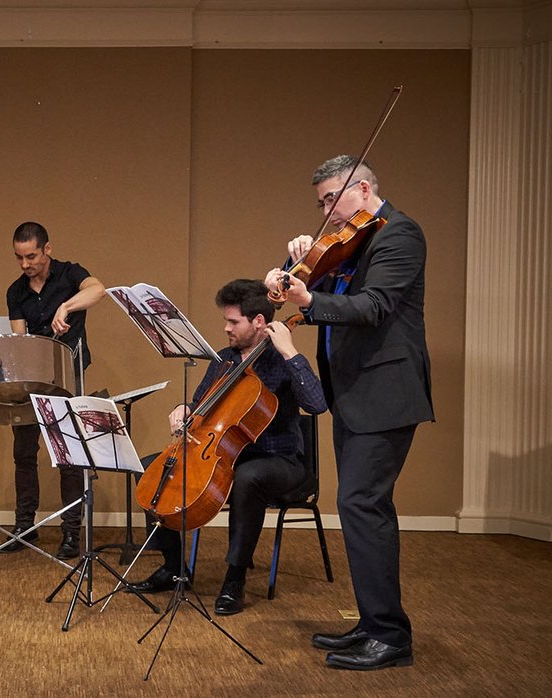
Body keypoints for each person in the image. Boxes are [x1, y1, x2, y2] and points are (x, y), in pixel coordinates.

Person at [265, 155, 433, 670]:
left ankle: (390, 636)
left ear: (362, 190)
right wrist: (299, 265)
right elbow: (328, 289)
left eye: (331, 200)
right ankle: (372, 624)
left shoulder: (400, 236)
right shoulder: (353, 243)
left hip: (385, 395)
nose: (326, 212)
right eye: (320, 204)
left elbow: (374, 306)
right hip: (354, 395)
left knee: (363, 506)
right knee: (360, 506)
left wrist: (309, 297)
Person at [128, 279, 326, 616]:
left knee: (249, 477)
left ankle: (234, 580)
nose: (226, 328)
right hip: (222, 454)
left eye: (233, 322)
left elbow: (317, 403)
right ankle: (175, 568)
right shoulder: (223, 360)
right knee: (153, 467)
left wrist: (290, 352)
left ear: (259, 322)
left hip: (278, 460)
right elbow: (201, 404)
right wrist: (184, 410)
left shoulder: (282, 362)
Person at [0, 221, 106, 559]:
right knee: (24, 453)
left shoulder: (70, 274)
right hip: (33, 377)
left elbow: (99, 290)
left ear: (47, 249)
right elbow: (20, 340)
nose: (25, 264)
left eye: (31, 256)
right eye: (19, 258)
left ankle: (71, 533)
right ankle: (24, 527)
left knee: (69, 456)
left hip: (68, 376)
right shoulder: (16, 292)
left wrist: (66, 306)